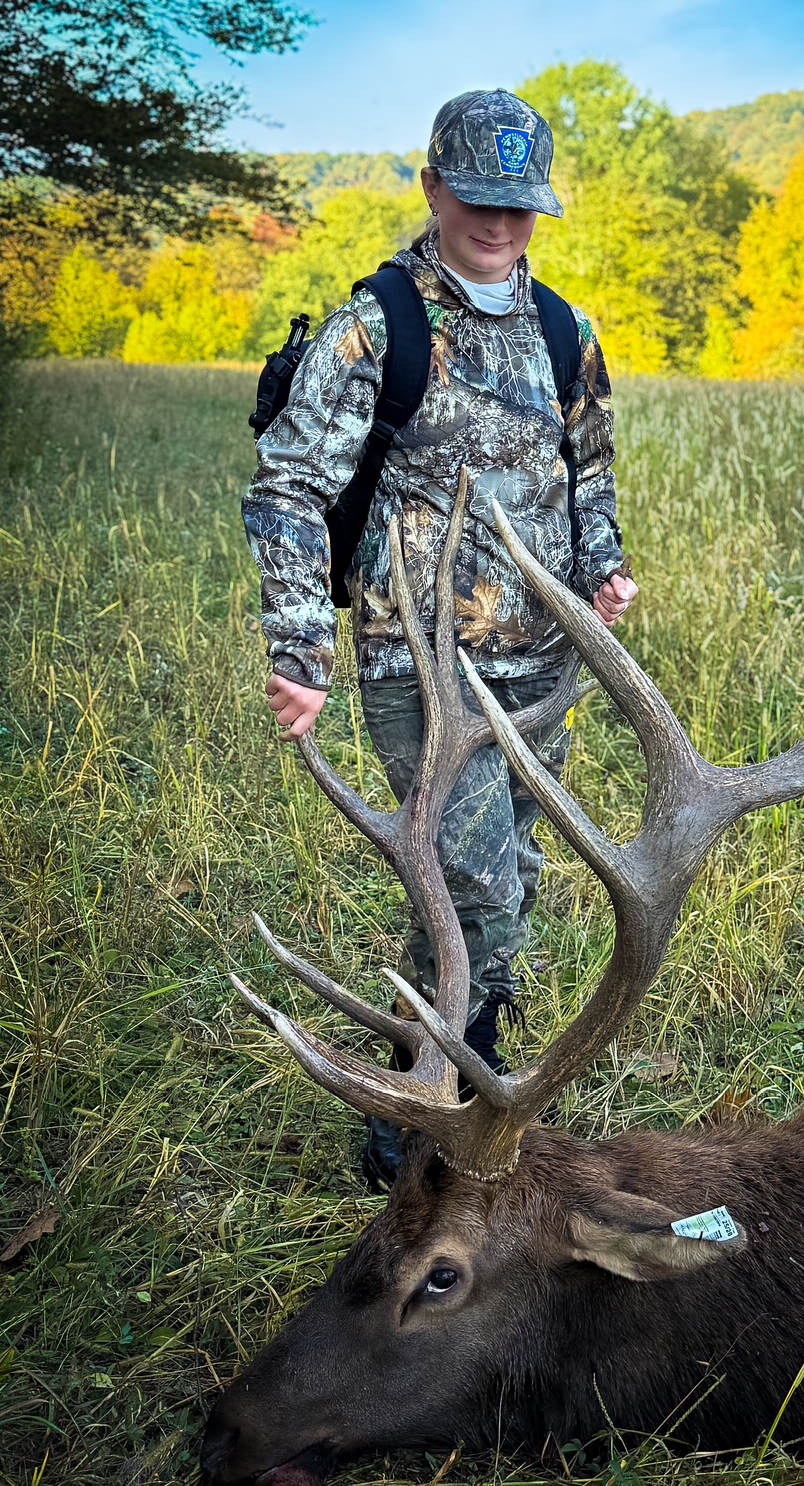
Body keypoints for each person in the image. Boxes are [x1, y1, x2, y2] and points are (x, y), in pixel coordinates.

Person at [243, 89, 638, 1185]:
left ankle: (418, 1088)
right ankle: (450, 1107)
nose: (499, 226)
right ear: (431, 188)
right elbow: (286, 485)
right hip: (417, 664)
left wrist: (602, 564)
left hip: (542, 662)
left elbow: (588, 463)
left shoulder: (567, 330)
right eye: (477, 201)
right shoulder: (378, 324)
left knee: (498, 871)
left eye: (519, 206)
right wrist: (298, 649)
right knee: (478, 893)